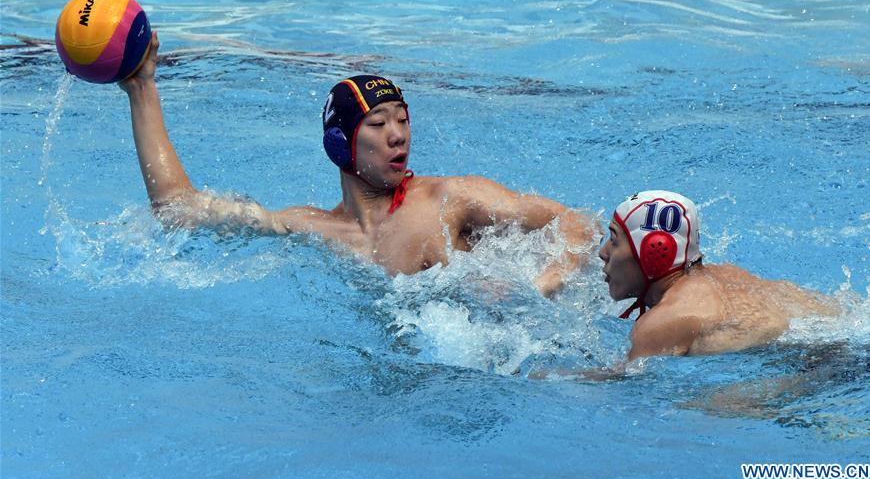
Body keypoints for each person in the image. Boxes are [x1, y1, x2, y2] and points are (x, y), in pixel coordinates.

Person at [118, 33, 596, 295]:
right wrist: (142, 89)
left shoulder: (450, 199)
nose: (398, 135)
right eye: (378, 124)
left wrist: (542, 283)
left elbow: (576, 223)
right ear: (339, 144)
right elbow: (178, 210)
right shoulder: (313, 229)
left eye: (402, 120)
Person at [598, 190, 838, 359]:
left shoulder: (658, 325)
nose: (603, 252)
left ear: (655, 251)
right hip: (838, 344)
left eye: (614, 239)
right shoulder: (728, 274)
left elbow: (622, 387)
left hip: (814, 365)